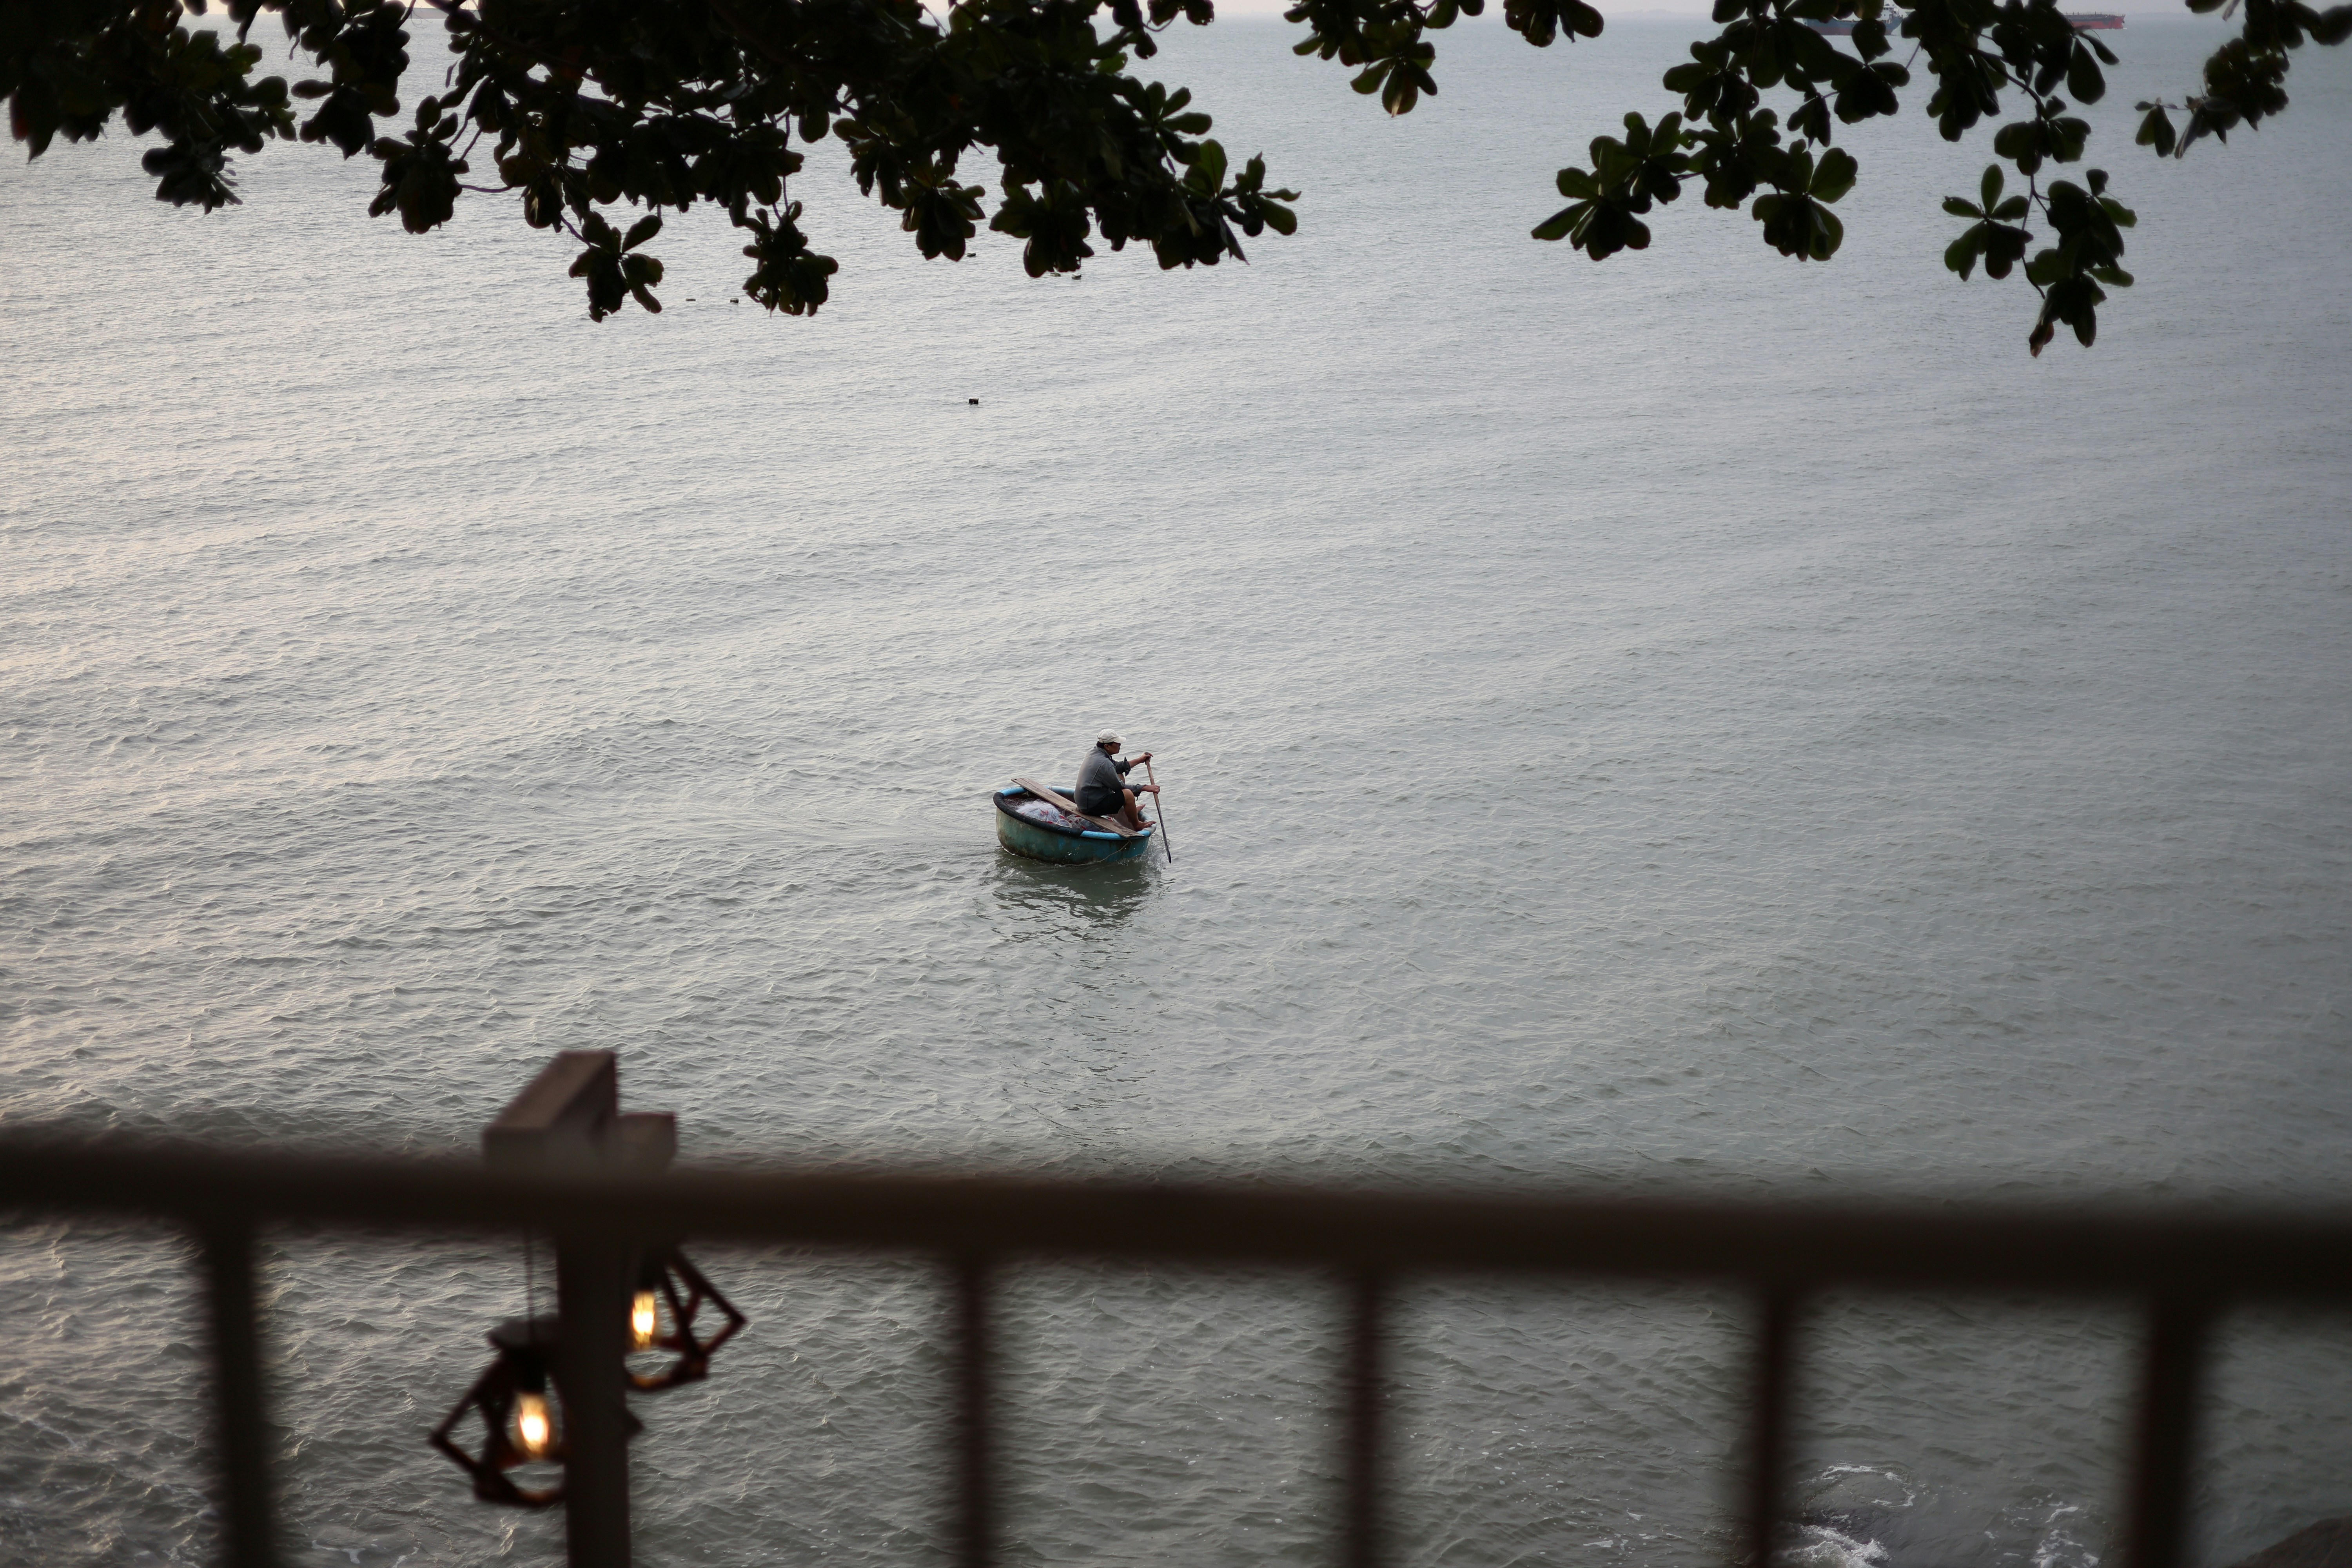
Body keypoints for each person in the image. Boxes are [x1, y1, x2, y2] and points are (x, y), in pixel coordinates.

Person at [1074, 731, 1157, 830]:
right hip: (1090, 807)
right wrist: (1144, 788)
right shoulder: (1104, 764)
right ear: (1107, 746)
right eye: (1117, 743)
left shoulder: (1095, 752)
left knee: (1120, 774)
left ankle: (1132, 810)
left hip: (1086, 801)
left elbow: (1116, 767)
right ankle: (1137, 825)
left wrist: (1140, 760)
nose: (1120, 745)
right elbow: (1120, 787)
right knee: (1128, 794)